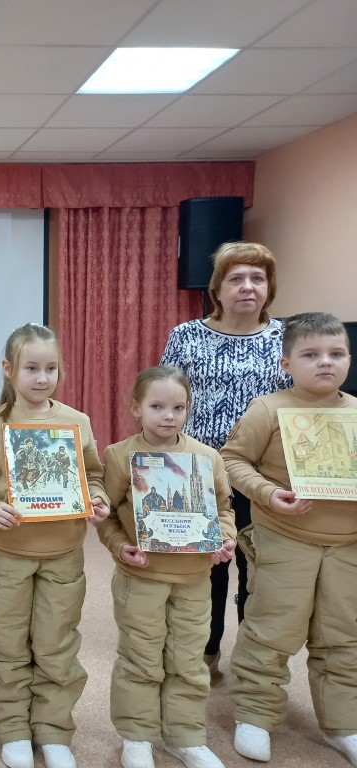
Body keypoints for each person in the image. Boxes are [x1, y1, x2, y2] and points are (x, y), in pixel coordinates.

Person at [0, 323, 109, 768]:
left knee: (56, 644)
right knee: (5, 643)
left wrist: (98, 498)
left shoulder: (77, 422)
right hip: (6, 555)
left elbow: (93, 475)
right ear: (9, 370)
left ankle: (53, 730)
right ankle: (11, 727)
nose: (42, 377)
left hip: (63, 554)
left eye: (51, 368)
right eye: (31, 368)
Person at [221, 312, 357, 765]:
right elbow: (232, 460)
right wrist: (266, 492)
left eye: (336, 353)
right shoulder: (268, 409)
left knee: (344, 636)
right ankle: (255, 715)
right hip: (284, 539)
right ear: (286, 363)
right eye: (311, 354)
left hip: (347, 546)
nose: (326, 362)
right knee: (271, 630)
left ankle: (343, 723)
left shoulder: (356, 412)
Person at [160, 241, 290, 676]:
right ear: (217, 287)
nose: (248, 286)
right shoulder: (185, 336)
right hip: (197, 475)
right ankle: (207, 651)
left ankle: (252, 658)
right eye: (236, 278)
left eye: (257, 278)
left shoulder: (287, 339)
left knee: (259, 572)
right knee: (205, 570)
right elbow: (165, 400)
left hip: (263, 478)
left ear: (269, 286)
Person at [96, 366, 236, 768]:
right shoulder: (120, 456)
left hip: (194, 580)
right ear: (136, 408)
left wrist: (226, 538)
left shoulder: (206, 457)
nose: (169, 416)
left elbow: (223, 509)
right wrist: (119, 546)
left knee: (189, 660)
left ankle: (185, 736)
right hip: (141, 578)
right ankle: (137, 736)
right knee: (140, 657)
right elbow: (107, 516)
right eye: (157, 406)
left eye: (178, 407)